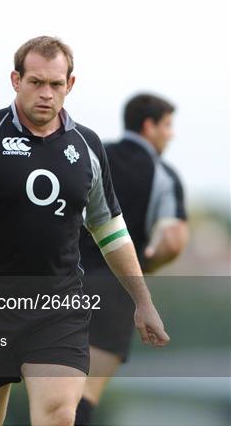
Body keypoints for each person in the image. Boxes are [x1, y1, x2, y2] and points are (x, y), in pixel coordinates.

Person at [0, 38, 169, 426]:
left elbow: (110, 229)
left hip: (58, 306)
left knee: (61, 415)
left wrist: (142, 302)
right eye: (35, 82)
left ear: (70, 84)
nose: (46, 94)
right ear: (16, 80)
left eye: (56, 84)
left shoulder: (87, 147)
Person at [76, 93, 188, 426]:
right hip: (114, 290)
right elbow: (172, 240)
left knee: (50, 392)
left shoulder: (92, 155)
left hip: (61, 282)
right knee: (82, 396)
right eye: (167, 125)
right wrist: (148, 263)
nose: (171, 134)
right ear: (149, 125)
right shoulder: (163, 175)